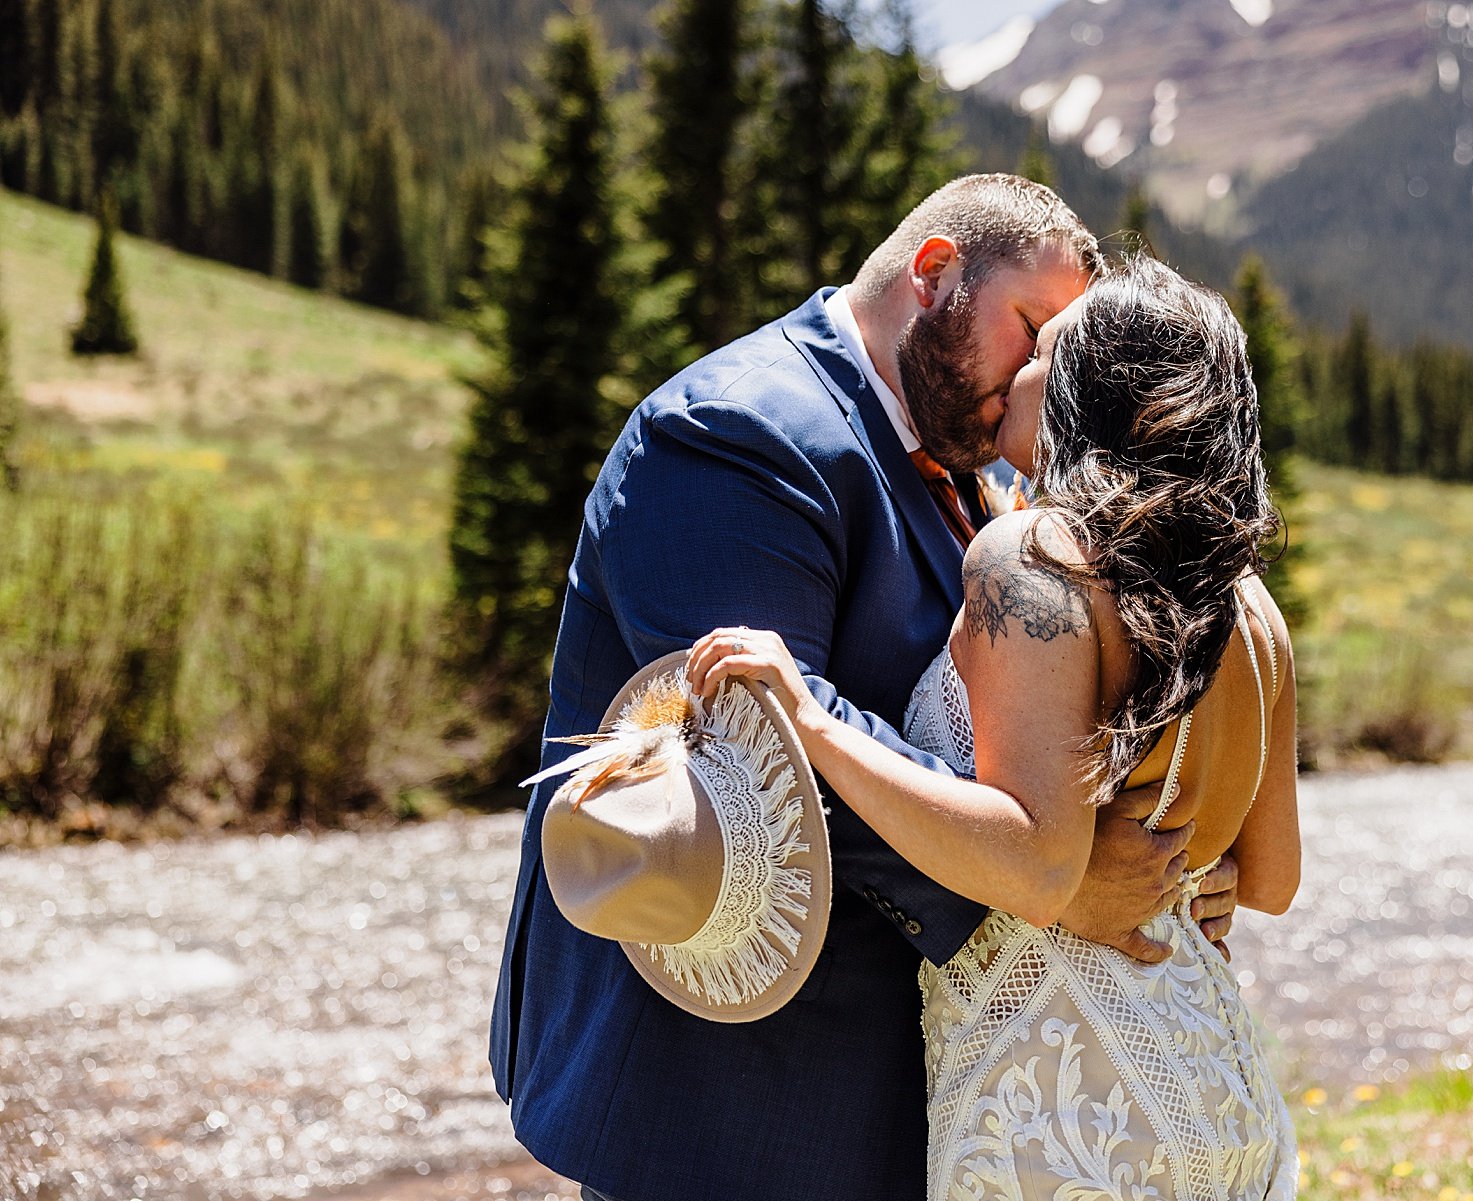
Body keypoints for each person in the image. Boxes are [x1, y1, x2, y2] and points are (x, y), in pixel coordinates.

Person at [488, 176, 1243, 1201]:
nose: (1043, 379)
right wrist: (1053, 886)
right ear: (935, 273)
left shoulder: (979, 467)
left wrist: (1168, 854)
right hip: (724, 1096)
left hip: (877, 1083)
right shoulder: (740, 432)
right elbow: (753, 755)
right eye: (1031, 328)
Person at [688, 255, 1302, 1200]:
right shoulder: (1244, 600)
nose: (1014, 370)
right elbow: (1271, 879)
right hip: (1218, 1082)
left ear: (1093, 388)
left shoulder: (1029, 555)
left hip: (1065, 1106)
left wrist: (811, 722)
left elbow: (1036, 862)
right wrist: (1181, 872)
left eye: (1044, 350)